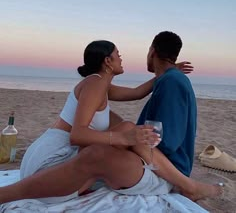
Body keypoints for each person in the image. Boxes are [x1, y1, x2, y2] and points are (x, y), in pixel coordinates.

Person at [0, 36, 222, 204]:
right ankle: (188, 185)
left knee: (125, 127)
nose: (122, 58)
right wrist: (123, 137)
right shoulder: (96, 83)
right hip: (51, 159)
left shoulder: (101, 85)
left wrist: (167, 71)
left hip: (44, 158)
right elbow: (77, 135)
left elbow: (137, 92)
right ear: (108, 61)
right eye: (118, 54)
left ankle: (187, 184)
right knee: (124, 129)